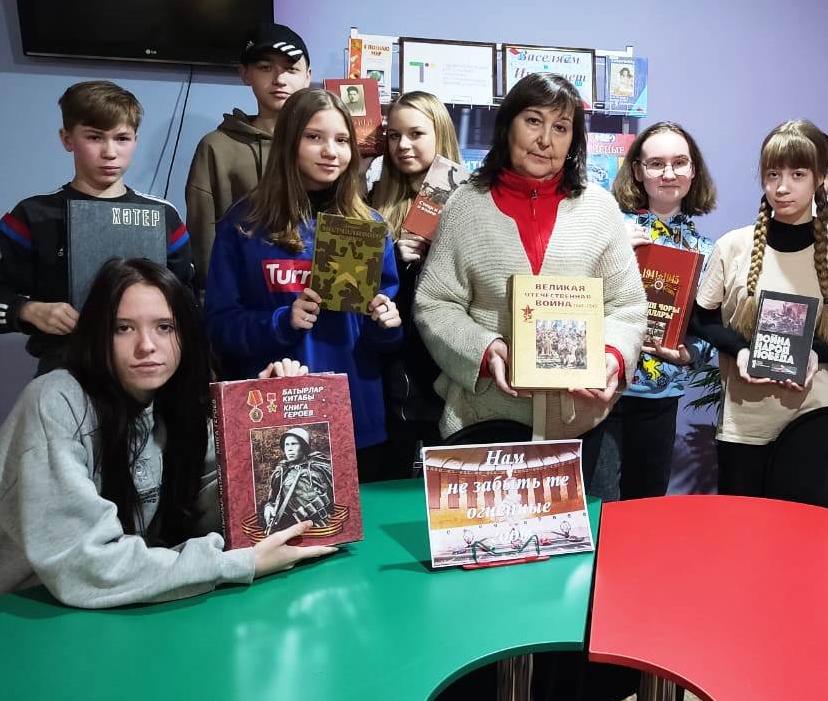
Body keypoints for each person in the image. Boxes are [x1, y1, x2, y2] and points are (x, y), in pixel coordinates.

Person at [0, 258, 333, 612]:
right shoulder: (55, 400)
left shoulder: (176, 401)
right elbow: (85, 564)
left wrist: (261, 422)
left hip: (81, 611)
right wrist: (235, 563)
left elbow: (213, 507)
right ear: (98, 335)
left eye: (164, 327)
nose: (147, 346)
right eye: (124, 328)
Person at [414, 72, 647, 488]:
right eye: (533, 121)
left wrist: (611, 355)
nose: (545, 140)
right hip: (485, 419)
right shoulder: (466, 205)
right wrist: (485, 350)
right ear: (509, 125)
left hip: (580, 423)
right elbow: (435, 302)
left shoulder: (599, 209)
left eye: (561, 127)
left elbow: (626, 305)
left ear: (574, 140)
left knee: (577, 528)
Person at [203, 88, 402, 481]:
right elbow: (219, 327)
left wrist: (387, 325)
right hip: (275, 419)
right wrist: (281, 322)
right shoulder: (245, 225)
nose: (331, 151)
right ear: (288, 142)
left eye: (341, 140)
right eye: (314, 137)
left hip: (355, 418)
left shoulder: (369, 226)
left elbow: (385, 341)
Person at [0, 80, 194, 375]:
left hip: (150, 371)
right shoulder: (34, 215)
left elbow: (189, 296)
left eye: (122, 138)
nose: (110, 152)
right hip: (66, 368)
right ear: (67, 139)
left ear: (136, 140)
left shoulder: (163, 216)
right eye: (94, 137)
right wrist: (30, 310)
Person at [691, 119, 828, 498]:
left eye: (797, 174)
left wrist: (813, 355)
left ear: (819, 178)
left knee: (803, 528)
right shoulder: (733, 246)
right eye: (772, 174)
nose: (782, 187)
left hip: (811, 422)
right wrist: (742, 351)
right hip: (744, 424)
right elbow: (702, 318)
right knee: (742, 527)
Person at [601, 120, 716, 500]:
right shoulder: (609, 228)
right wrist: (612, 252)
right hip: (602, 390)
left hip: (660, 398)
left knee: (645, 504)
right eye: (656, 164)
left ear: (693, 170)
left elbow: (710, 327)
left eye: (679, 162)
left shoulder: (707, 250)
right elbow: (574, 296)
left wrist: (690, 354)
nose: (668, 174)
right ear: (637, 170)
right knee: (599, 504)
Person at [366, 91, 465, 479]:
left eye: (416, 134)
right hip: (392, 375)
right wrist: (392, 257)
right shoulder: (373, 202)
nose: (403, 145)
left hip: (450, 371)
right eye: (394, 135)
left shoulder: (471, 202)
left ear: (440, 134)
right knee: (391, 483)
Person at [186, 23, 311, 301]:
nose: (279, 79)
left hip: (313, 300)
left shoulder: (323, 147)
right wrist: (211, 301)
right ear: (245, 74)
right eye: (266, 67)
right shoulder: (217, 147)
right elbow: (204, 236)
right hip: (241, 302)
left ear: (307, 77)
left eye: (291, 69)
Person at [262, 427, 334, 534]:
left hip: (324, 525)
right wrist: (268, 508)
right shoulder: (281, 473)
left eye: (294, 444)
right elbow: (272, 499)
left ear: (304, 446)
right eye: (287, 445)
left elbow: (335, 496)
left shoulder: (319, 468)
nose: (289, 449)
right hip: (295, 528)